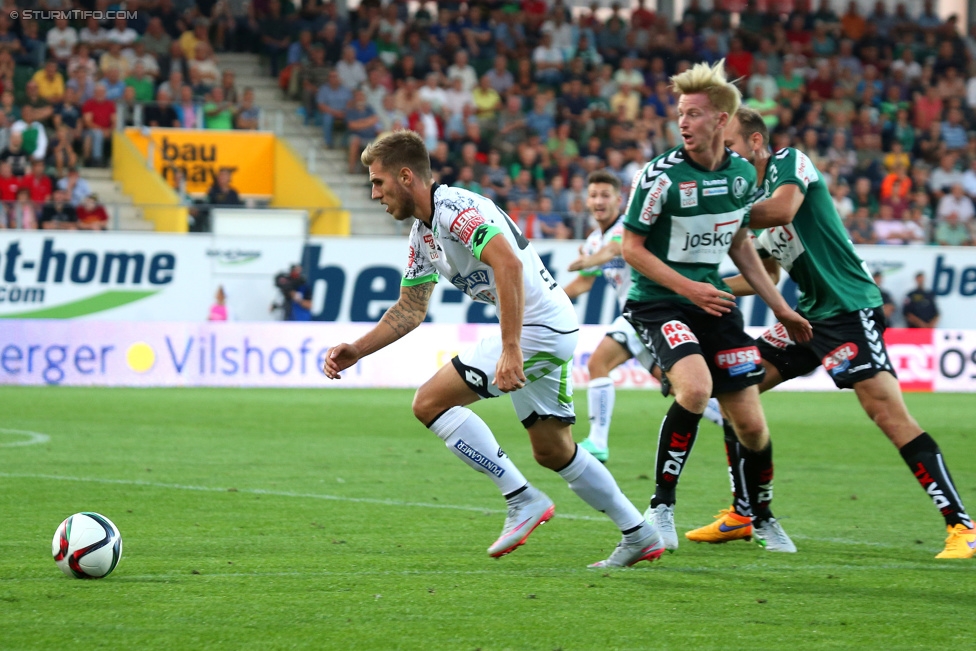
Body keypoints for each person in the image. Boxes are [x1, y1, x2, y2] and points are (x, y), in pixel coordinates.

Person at [324, 130, 664, 568]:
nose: (374, 194)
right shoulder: (422, 235)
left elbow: (507, 262)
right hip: (543, 326)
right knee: (553, 451)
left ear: (406, 176)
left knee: (428, 403)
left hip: (536, 329)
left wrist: (510, 348)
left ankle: (522, 499)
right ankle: (639, 532)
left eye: (378, 182)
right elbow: (409, 308)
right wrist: (358, 348)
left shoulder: (455, 211)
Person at [693, 107, 975, 559]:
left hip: (848, 307)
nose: (724, 155)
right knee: (734, 389)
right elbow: (762, 274)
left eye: (730, 146)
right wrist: (698, 286)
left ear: (757, 144)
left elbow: (783, 208)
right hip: (807, 317)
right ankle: (744, 514)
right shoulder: (748, 198)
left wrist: (723, 213)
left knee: (886, 415)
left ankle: (962, 526)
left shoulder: (790, 164)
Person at [620, 61, 813, 554]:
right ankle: (660, 506)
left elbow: (741, 244)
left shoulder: (742, 175)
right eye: (681, 113)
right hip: (660, 303)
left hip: (715, 305)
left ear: (722, 121)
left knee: (750, 425)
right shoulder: (659, 177)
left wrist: (781, 308)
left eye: (696, 114)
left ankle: (761, 515)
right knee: (695, 389)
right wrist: (688, 289)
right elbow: (632, 248)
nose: (684, 123)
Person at [562, 170, 725, 463]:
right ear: (587, 200)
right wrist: (550, 298)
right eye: (594, 195)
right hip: (639, 318)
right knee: (677, 387)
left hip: (648, 309)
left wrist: (592, 260)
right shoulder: (592, 240)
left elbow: (615, 249)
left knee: (598, 362)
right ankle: (729, 419)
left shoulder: (626, 228)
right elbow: (584, 283)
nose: (599, 201)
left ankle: (598, 442)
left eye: (605, 195)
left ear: (619, 200)